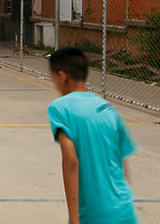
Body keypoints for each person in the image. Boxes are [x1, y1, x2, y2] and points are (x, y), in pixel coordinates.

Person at [47, 46, 137, 224]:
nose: (54, 83)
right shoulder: (109, 108)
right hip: (125, 210)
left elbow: (71, 160)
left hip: (94, 214)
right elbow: (122, 164)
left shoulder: (61, 107)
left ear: (63, 76)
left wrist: (74, 219)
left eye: (53, 78)